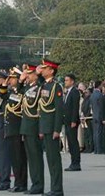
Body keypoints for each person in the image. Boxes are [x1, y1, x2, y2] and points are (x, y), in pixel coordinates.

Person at [38, 60, 64, 196]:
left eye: (44, 68)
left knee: (54, 160)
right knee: (49, 159)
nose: (42, 70)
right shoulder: (44, 86)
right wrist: (41, 129)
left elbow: (59, 110)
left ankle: (57, 189)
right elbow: (42, 109)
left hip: (52, 128)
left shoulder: (56, 87)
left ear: (51, 70)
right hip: (46, 127)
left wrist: (57, 129)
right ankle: (54, 187)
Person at [21, 64, 44, 195]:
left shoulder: (39, 87)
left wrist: (40, 75)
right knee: (31, 158)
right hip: (27, 126)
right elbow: (19, 92)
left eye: (29, 74)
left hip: (34, 126)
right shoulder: (28, 88)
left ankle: (38, 184)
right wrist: (21, 80)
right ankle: (35, 182)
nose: (27, 76)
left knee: (36, 158)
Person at [5, 67, 28, 193]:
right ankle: (17, 182)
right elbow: (2, 94)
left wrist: (20, 82)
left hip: (18, 129)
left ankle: (22, 183)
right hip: (11, 129)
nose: (10, 81)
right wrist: (5, 82)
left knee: (20, 159)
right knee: (14, 159)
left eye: (12, 78)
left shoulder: (22, 91)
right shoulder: (11, 92)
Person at [62, 73, 81, 171]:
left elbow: (75, 107)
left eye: (67, 80)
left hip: (71, 121)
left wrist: (74, 120)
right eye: (65, 80)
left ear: (72, 81)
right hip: (67, 120)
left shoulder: (74, 92)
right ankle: (73, 162)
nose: (65, 82)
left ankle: (76, 163)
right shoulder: (67, 92)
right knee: (70, 142)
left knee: (73, 142)